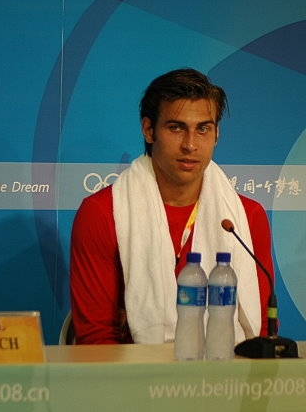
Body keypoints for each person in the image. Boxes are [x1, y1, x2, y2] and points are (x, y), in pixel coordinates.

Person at [70, 68, 274, 345]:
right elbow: (97, 336)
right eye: (176, 128)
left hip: (227, 378)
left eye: (203, 128)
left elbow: (260, 327)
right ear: (148, 130)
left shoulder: (246, 218)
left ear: (216, 134)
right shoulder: (103, 213)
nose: (190, 145)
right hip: (135, 378)